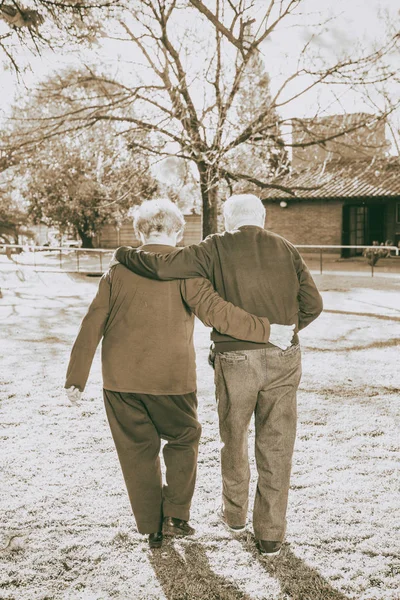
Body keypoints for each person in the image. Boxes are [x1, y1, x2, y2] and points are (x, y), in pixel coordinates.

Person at [65, 199, 294, 550]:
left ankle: (151, 529)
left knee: (136, 451)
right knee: (185, 438)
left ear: (140, 232)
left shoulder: (116, 272)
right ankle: (176, 515)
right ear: (178, 232)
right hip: (172, 382)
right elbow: (218, 312)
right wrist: (266, 329)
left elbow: (92, 322)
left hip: (120, 383)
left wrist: (75, 378)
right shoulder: (186, 272)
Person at [113, 194, 323, 556]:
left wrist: (124, 253)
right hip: (285, 357)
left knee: (235, 436)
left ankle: (235, 515)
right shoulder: (287, 248)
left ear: (226, 221)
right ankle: (271, 535)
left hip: (235, 356)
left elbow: (163, 266)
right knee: (278, 443)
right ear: (263, 217)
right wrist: (286, 331)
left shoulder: (215, 246)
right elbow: (314, 304)